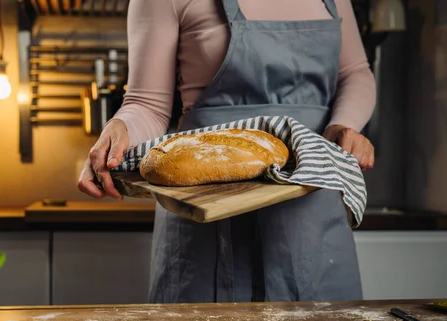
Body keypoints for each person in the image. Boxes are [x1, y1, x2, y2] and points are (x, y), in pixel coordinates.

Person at [78, 0, 376, 303]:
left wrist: (343, 125)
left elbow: (355, 73)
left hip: (311, 201)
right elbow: (148, 104)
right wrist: (119, 130)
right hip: (205, 209)